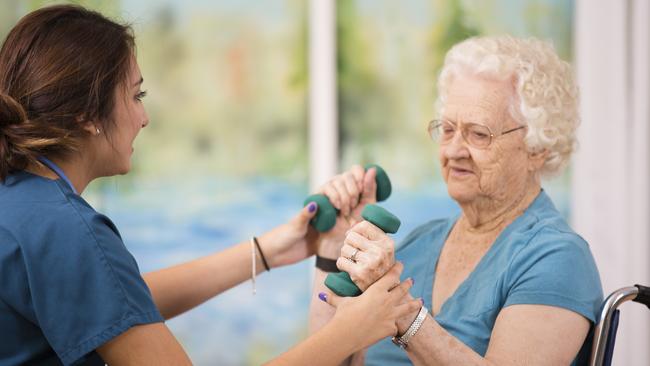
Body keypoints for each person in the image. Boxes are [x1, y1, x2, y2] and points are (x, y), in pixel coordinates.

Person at [0, 5, 420, 365]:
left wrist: (271, 250)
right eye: (135, 96)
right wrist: (354, 328)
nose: (142, 118)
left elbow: (113, 301)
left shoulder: (21, 203)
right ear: (87, 117)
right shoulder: (67, 231)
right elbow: (106, 291)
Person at [310, 35, 603, 365]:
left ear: (537, 148)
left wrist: (402, 311)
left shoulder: (557, 257)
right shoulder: (420, 243)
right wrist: (334, 249)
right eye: (447, 130)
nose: (452, 151)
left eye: (479, 134)